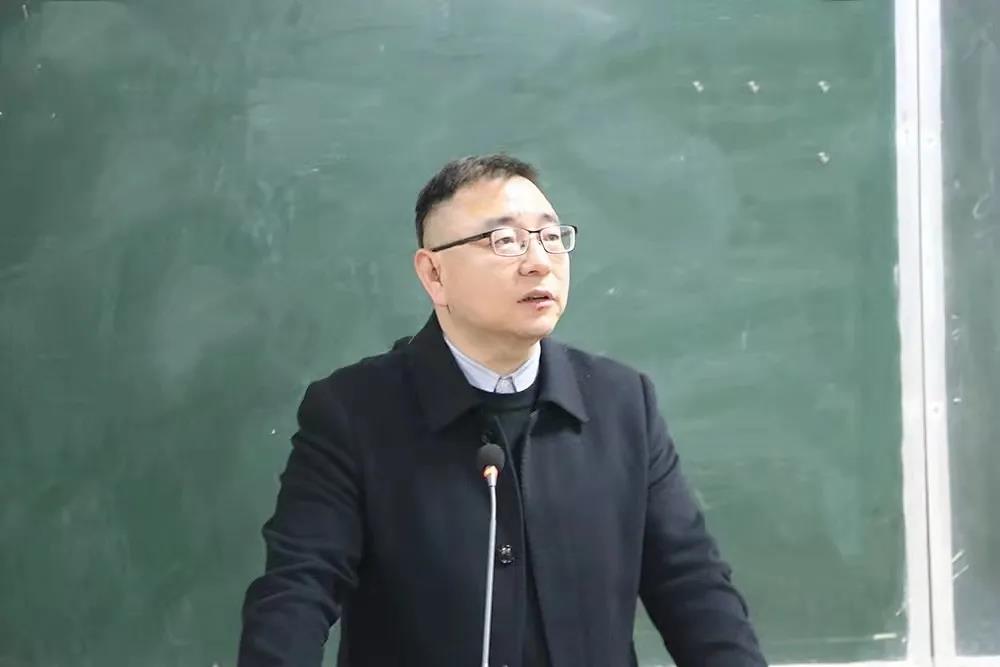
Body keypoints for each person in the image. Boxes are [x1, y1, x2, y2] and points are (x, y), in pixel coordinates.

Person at [238, 154, 767, 667]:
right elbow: (298, 591)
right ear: (434, 274)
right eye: (505, 241)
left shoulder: (622, 403)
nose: (539, 261)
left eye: (551, 237)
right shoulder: (353, 412)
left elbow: (693, 588)